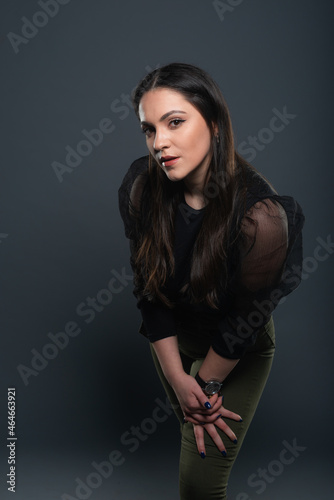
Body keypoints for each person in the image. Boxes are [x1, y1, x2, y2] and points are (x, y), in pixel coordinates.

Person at [118, 62, 304, 500]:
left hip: (233, 348)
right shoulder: (143, 188)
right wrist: (178, 377)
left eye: (175, 122)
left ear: (215, 124)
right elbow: (149, 288)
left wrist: (204, 387)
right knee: (194, 452)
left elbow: (244, 322)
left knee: (200, 484)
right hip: (171, 340)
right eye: (149, 129)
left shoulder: (261, 218)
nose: (159, 142)